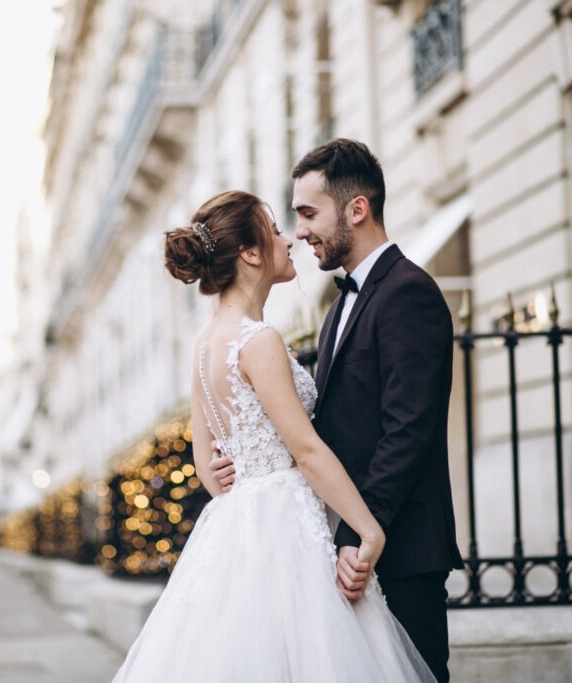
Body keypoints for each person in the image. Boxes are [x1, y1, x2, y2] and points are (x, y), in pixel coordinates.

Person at [112, 190, 435, 682]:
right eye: (276, 231)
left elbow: (206, 463)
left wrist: (237, 474)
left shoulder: (204, 345)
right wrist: (369, 530)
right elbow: (305, 449)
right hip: (285, 526)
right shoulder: (257, 340)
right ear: (250, 253)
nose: (289, 240)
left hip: (236, 527)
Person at [213, 138, 463, 682]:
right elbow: (320, 427)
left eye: (308, 213)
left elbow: (407, 432)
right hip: (339, 545)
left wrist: (357, 535)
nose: (299, 231)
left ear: (357, 209)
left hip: (397, 551)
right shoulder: (338, 305)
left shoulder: (408, 293)